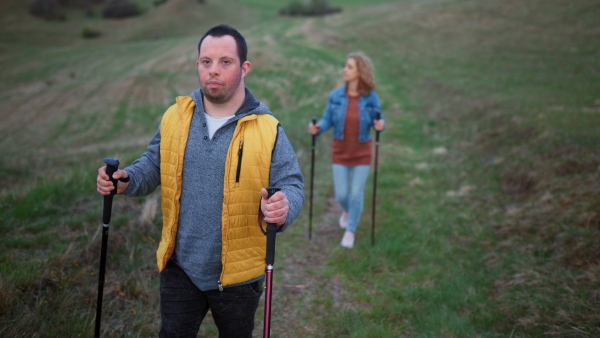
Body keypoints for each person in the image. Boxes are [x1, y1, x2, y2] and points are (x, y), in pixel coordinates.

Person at [96, 24, 304, 337]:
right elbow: (152, 164)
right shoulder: (175, 116)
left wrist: (285, 206)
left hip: (239, 274)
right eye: (206, 62)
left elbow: (292, 184)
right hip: (180, 266)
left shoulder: (267, 128)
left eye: (225, 62)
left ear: (244, 68)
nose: (214, 71)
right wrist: (125, 181)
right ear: (197, 66)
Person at [308, 51, 385, 249]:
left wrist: (379, 125)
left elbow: (379, 119)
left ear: (360, 72)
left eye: (349, 67)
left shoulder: (370, 98)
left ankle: (350, 230)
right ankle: (348, 210)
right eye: (346, 66)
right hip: (340, 151)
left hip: (362, 153)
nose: (345, 69)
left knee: (356, 194)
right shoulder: (336, 96)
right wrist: (318, 129)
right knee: (342, 195)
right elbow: (327, 119)